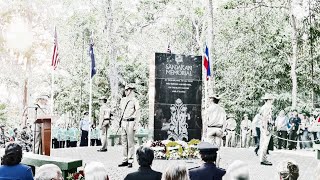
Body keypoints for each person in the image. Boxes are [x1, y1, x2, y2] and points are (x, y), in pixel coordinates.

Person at [118, 83, 140, 168]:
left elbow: (138, 112)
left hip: (131, 122)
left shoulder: (135, 100)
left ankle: (130, 160)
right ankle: (125, 160)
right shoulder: (123, 100)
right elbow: (121, 111)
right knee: (124, 142)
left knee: (130, 143)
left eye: (127, 90)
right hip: (123, 122)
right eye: (125, 90)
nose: (125, 91)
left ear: (130, 90)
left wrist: (136, 124)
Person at [259, 93, 274, 166]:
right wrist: (266, 129)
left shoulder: (265, 107)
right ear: (268, 100)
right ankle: (263, 159)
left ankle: (263, 158)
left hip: (265, 126)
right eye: (271, 99)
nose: (272, 101)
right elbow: (265, 119)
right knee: (265, 144)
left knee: (264, 144)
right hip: (266, 126)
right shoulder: (266, 107)